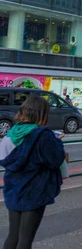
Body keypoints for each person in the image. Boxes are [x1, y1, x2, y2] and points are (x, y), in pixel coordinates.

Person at [0, 96, 65, 249]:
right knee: (26, 239)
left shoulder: (12, 133)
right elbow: (55, 160)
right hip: (34, 191)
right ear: (42, 114)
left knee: (13, 235)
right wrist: (57, 141)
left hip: (13, 189)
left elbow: (4, 158)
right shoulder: (43, 135)